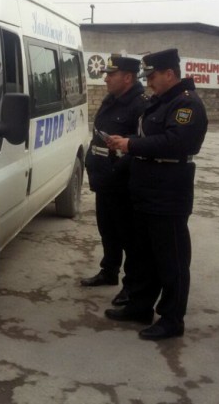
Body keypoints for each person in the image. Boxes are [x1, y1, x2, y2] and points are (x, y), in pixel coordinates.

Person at [104, 48, 208, 341]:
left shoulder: (187, 105)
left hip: (168, 190)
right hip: (146, 188)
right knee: (143, 254)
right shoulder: (161, 101)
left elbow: (174, 142)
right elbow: (148, 137)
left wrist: (130, 145)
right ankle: (140, 306)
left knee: (171, 259)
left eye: (152, 76)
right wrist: (125, 146)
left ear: (169, 74)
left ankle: (172, 318)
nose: (148, 82)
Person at [81, 55, 149, 306]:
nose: (106, 78)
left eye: (112, 74)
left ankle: (131, 286)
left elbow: (139, 146)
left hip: (123, 182)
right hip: (105, 180)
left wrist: (117, 170)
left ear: (128, 77)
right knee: (107, 230)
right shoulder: (111, 100)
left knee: (129, 236)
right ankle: (109, 271)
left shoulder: (140, 105)